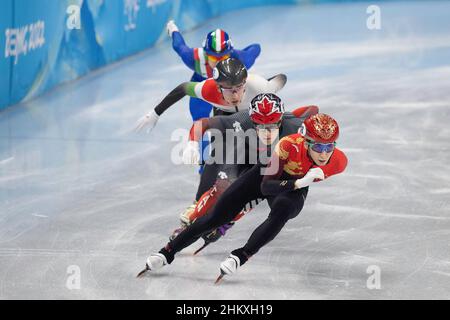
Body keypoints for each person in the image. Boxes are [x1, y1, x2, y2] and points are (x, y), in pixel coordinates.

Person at [138, 113, 348, 282]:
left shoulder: (338, 162)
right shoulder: (287, 145)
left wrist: (299, 185)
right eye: (319, 147)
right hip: (267, 176)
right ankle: (167, 252)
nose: (324, 153)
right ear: (306, 141)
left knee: (283, 210)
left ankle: (241, 255)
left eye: (329, 147)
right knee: (215, 217)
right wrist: (299, 182)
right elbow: (267, 186)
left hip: (292, 191)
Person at [170, 94, 319, 252]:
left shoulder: (295, 127)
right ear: (252, 121)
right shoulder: (242, 119)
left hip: (268, 161)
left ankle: (228, 221)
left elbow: (312, 110)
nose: (267, 132)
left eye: (272, 125)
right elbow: (204, 123)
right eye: (260, 126)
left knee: (252, 193)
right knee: (221, 189)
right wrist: (192, 143)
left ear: (281, 120)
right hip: (244, 154)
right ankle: (192, 220)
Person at [134, 58, 286, 133]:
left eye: (238, 87)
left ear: (245, 83)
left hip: (251, 113)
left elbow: (281, 78)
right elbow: (183, 88)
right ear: (218, 87)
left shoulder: (259, 87)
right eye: (228, 88)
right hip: (223, 114)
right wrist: (155, 113)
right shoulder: (207, 89)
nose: (234, 94)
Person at [166, 21, 261, 122]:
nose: (219, 61)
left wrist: (240, 53)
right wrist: (173, 30)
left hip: (228, 85)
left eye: (223, 56)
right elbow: (179, 46)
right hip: (201, 81)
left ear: (230, 54)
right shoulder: (193, 58)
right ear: (206, 54)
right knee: (199, 118)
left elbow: (256, 47)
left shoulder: (241, 60)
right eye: (213, 57)